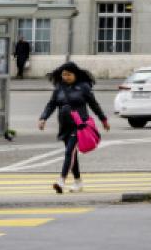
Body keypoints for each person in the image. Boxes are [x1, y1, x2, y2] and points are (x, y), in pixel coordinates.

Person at [38, 62, 109, 194]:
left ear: (75, 74)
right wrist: (43, 118)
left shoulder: (84, 87)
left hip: (80, 125)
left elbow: (94, 104)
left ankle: (61, 181)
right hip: (65, 125)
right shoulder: (59, 87)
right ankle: (78, 182)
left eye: (69, 74)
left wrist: (103, 119)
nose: (66, 77)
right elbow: (51, 104)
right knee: (72, 155)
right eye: (64, 74)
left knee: (69, 152)